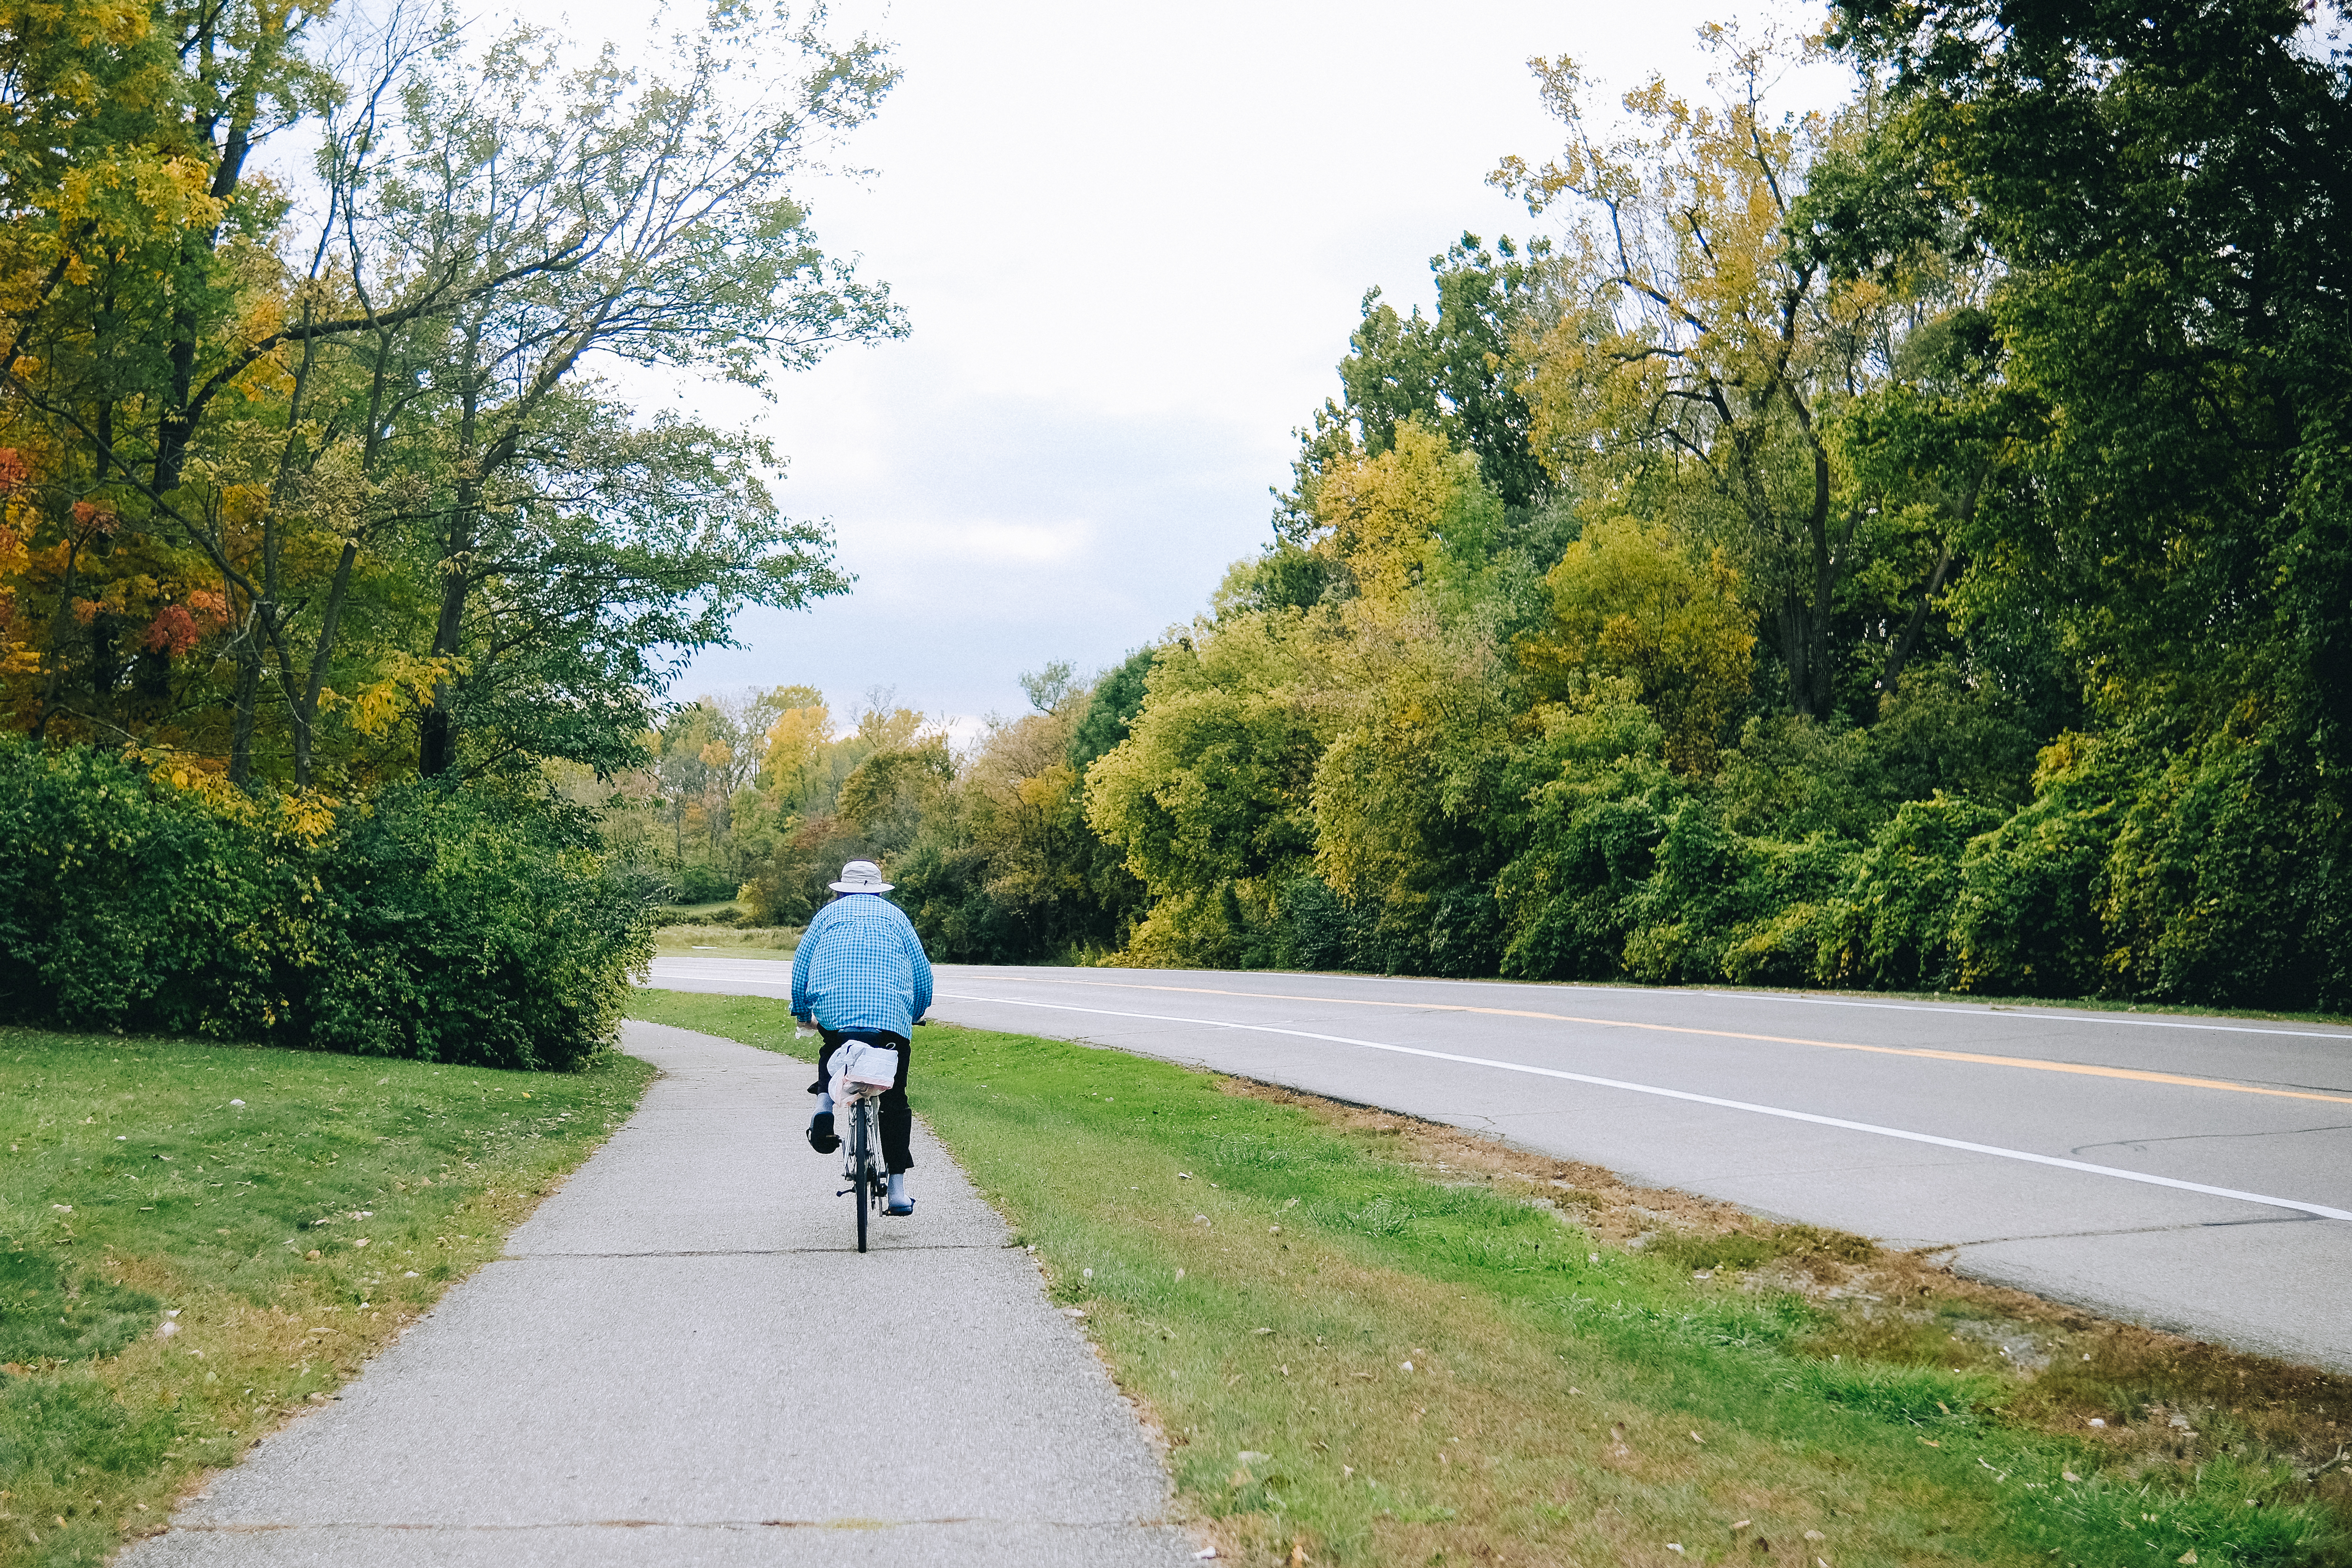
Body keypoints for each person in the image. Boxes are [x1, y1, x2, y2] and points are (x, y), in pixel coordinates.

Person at [790, 859, 933, 1216]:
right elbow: (923, 975)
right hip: (890, 1019)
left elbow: (801, 966)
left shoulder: (826, 916)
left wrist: (801, 1007)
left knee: (832, 1047)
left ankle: (824, 1104)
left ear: (841, 889)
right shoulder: (897, 918)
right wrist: (914, 1013)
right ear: (879, 890)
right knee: (895, 1097)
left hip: (836, 1013)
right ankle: (898, 1191)